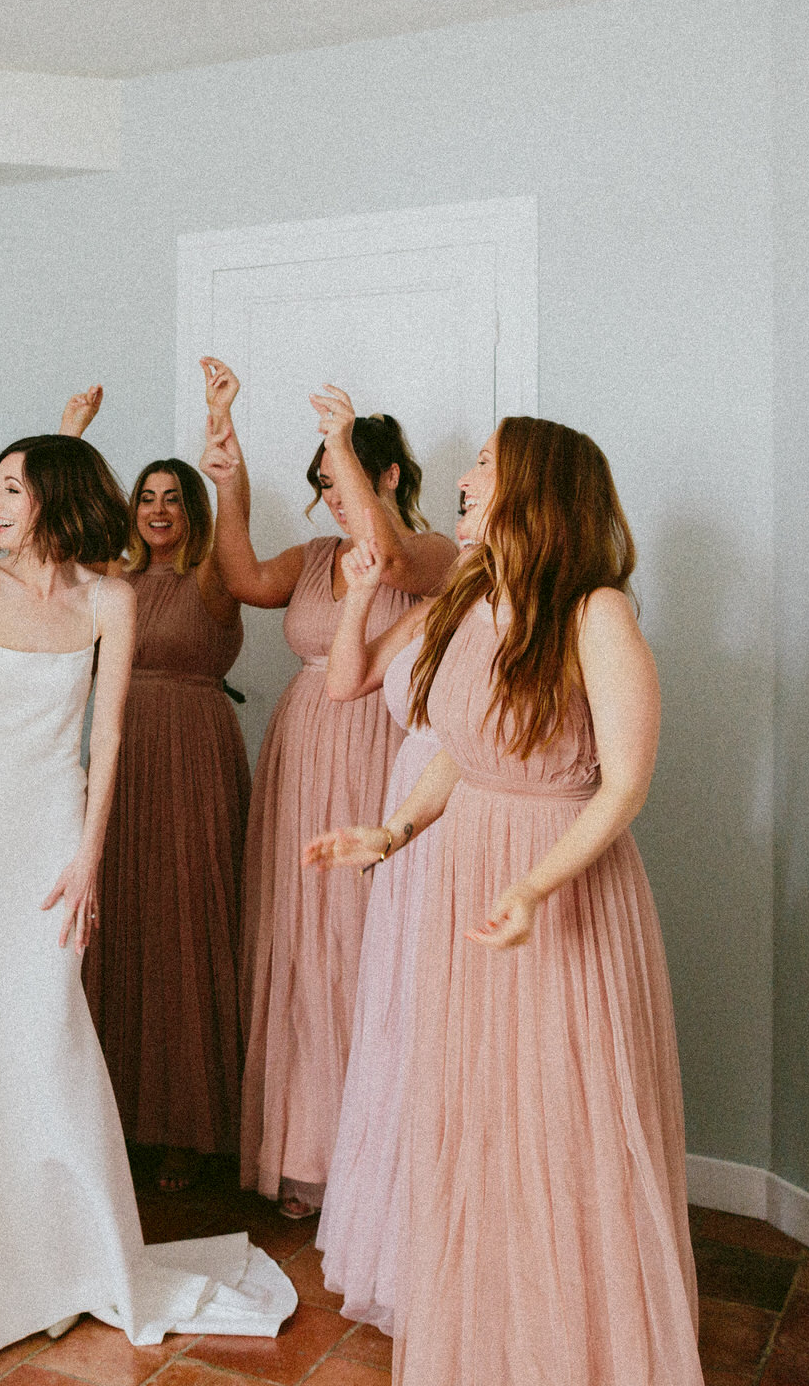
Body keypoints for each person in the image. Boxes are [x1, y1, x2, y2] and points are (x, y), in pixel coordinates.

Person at [0, 435, 296, 1368]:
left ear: (52, 496)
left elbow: (106, 740)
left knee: (48, 1028)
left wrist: (91, 857)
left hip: (52, 835)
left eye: (13, 485)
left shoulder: (113, 599)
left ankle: (64, 1258)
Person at [305, 417, 697, 1384]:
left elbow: (626, 782)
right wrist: (392, 834)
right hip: (467, 879)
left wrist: (537, 883)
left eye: (485, 464)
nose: (469, 480)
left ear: (534, 489)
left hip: (559, 891)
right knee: (476, 1123)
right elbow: (463, 758)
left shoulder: (597, 613)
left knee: (567, 1129)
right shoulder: (468, 604)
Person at [199, 359, 457, 1217]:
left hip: (378, 756)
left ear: (384, 474)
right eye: (322, 485)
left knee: (360, 942)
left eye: (343, 479)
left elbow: (383, 553)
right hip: (300, 751)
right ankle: (302, 1150)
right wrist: (228, 475)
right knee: (295, 937)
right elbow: (239, 578)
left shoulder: (430, 555)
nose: (333, 499)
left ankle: (373, 1159)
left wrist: (339, 436)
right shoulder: (314, 559)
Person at [56, 386, 247, 1196]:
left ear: (193, 512)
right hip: (121, 762)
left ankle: (191, 1130)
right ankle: (122, 1117)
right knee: (122, 924)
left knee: (187, 924)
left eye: (174, 498)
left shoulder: (215, 577)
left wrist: (223, 441)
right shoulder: (112, 580)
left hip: (197, 758)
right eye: (146, 497)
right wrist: (70, 436)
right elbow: (56, 538)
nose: (159, 509)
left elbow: (231, 525)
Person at [310, 462, 479, 1332]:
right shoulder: (430, 610)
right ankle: (398, 1244)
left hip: (469, 807)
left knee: (451, 1014)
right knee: (400, 1012)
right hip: (406, 802)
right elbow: (345, 683)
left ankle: (458, 1243)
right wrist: (356, 596)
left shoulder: (472, 586)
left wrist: (339, 439)